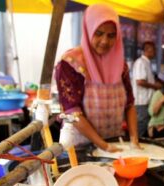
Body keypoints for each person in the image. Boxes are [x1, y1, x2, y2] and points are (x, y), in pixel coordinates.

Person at [54, 4, 140, 152]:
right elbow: (72, 111)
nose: (105, 41)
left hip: (115, 141)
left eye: (111, 35)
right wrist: (103, 145)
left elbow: (129, 104)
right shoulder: (70, 63)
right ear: (88, 31)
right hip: (80, 146)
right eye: (98, 33)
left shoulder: (121, 65)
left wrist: (134, 140)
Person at [132, 41, 162, 137]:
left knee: (144, 126)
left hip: (146, 102)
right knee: (141, 127)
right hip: (141, 102)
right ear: (148, 50)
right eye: (154, 50)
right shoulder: (141, 62)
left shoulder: (146, 63)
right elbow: (140, 82)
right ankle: (136, 148)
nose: (155, 52)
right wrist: (155, 86)